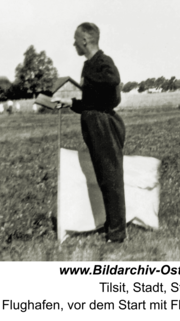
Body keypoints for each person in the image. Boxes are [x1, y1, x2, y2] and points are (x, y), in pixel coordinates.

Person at [51, 22, 127, 243]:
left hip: (104, 123)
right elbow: (89, 101)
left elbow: (113, 79)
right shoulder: (88, 66)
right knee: (104, 177)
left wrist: (91, 84)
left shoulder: (102, 62)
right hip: (93, 122)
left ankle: (117, 233)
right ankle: (112, 224)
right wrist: (69, 102)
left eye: (76, 39)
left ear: (85, 40)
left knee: (111, 177)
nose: (73, 43)